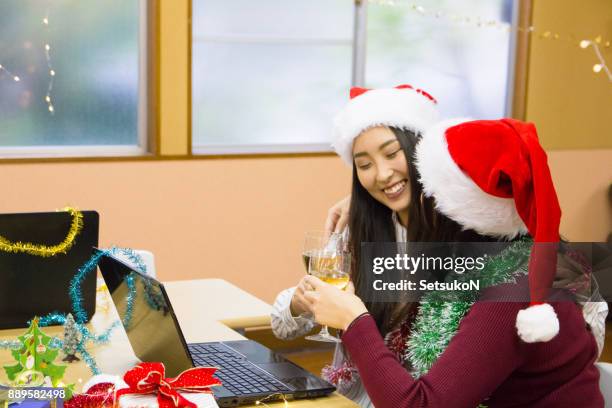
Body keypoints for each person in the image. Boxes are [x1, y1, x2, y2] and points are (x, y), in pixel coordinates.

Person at [272, 86, 605, 407]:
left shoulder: (509, 291)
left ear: (461, 206)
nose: (390, 179)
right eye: (365, 165)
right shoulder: (493, 256)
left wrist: (354, 319)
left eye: (428, 189)